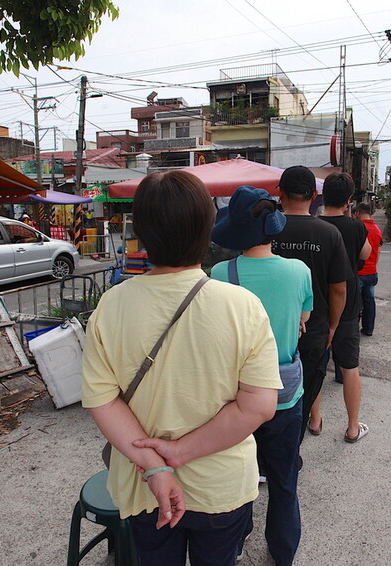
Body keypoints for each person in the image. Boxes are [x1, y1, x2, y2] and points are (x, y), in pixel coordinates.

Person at [82, 170, 282, 566]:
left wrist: (158, 466)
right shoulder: (242, 306)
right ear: (208, 228)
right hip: (220, 486)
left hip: (145, 485)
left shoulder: (111, 304)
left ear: (141, 231)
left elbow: (103, 401)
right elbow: (257, 407)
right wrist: (180, 452)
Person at [210, 186, 313, 566]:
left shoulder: (221, 273)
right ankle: (283, 553)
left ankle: (234, 545)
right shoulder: (298, 271)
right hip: (285, 393)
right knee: (285, 481)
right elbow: (303, 322)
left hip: (236, 396)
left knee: (239, 479)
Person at [272, 165, 353, 444]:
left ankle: (262, 460)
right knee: (302, 399)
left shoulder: (267, 230)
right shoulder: (329, 234)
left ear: (280, 193)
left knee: (262, 397)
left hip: (268, 331)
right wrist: (332, 326)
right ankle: (291, 454)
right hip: (314, 331)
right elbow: (339, 288)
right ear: (315, 194)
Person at [313, 172, 371, 443]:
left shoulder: (314, 225)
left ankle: (314, 421)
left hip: (316, 306)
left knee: (315, 366)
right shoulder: (356, 227)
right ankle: (352, 427)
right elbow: (366, 253)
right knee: (349, 368)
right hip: (346, 309)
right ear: (349, 201)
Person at [354, 202, 383, 337]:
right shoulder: (377, 229)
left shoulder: (358, 228)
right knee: (369, 301)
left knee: (356, 304)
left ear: (358, 212)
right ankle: (368, 329)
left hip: (359, 273)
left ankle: (354, 329)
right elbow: (378, 252)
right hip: (372, 272)